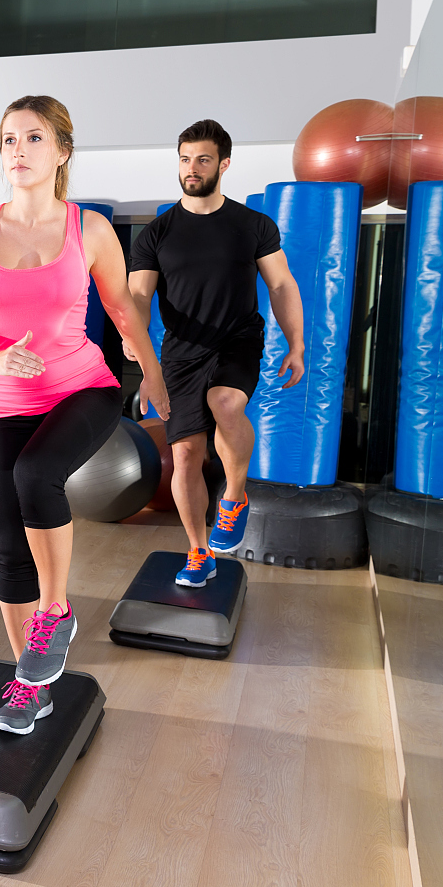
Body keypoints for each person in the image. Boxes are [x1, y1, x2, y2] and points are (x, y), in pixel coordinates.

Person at [0, 95, 169, 734]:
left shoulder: (89, 230)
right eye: (9, 139)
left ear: (62, 151)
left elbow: (121, 307)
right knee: (8, 551)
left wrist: (152, 372)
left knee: (36, 475)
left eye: (34, 138)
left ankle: (56, 610)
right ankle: (28, 683)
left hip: (82, 386)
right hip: (2, 399)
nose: (18, 150)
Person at [126, 119, 304, 586]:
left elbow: (281, 284)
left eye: (203, 159)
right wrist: (136, 341)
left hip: (237, 339)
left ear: (223, 164)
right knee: (186, 455)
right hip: (181, 353)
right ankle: (198, 551)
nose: (192, 167)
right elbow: (139, 295)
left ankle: (234, 496)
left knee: (225, 402)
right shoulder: (156, 233)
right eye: (185, 159)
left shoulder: (252, 225)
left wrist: (297, 344)